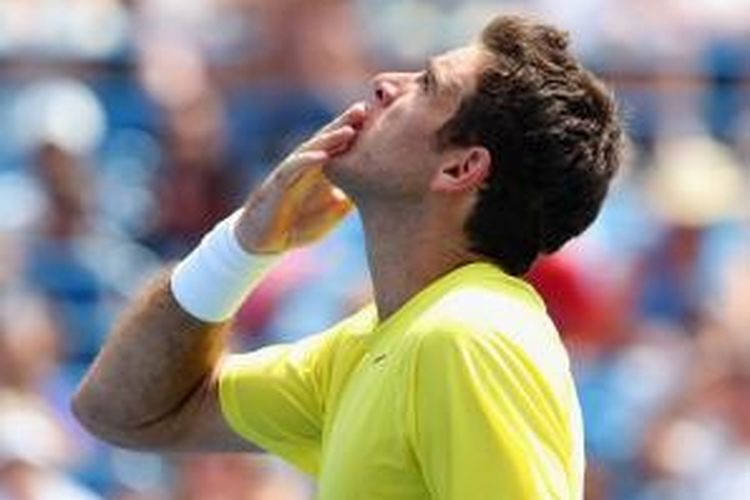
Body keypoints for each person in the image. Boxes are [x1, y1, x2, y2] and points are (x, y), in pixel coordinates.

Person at [73, 14, 622, 499]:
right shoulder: (368, 345)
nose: (385, 85)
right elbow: (120, 412)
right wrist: (243, 244)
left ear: (460, 169)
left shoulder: (471, 335)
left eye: (427, 84)